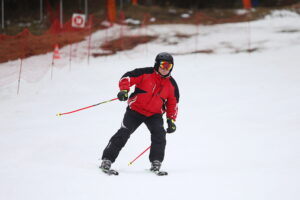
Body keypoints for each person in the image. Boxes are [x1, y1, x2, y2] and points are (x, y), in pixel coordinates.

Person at [100, 52, 179, 173]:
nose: (165, 69)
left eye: (168, 66)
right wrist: (124, 90)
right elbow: (127, 78)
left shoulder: (172, 85)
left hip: (154, 114)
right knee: (124, 133)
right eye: (163, 65)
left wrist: (171, 120)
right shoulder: (145, 73)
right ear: (157, 64)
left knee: (159, 135)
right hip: (135, 110)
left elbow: (173, 104)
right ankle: (107, 160)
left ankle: (156, 163)